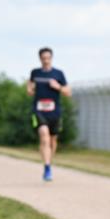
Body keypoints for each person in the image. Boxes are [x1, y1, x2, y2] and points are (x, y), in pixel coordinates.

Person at [26, 47, 71, 181]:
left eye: (48, 58)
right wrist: (30, 88)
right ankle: (46, 168)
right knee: (44, 136)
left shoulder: (58, 74)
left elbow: (68, 93)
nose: (46, 61)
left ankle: (49, 163)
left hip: (54, 111)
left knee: (52, 141)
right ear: (40, 58)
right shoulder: (35, 73)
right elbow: (29, 87)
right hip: (39, 110)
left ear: (51, 58)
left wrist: (58, 87)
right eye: (43, 58)